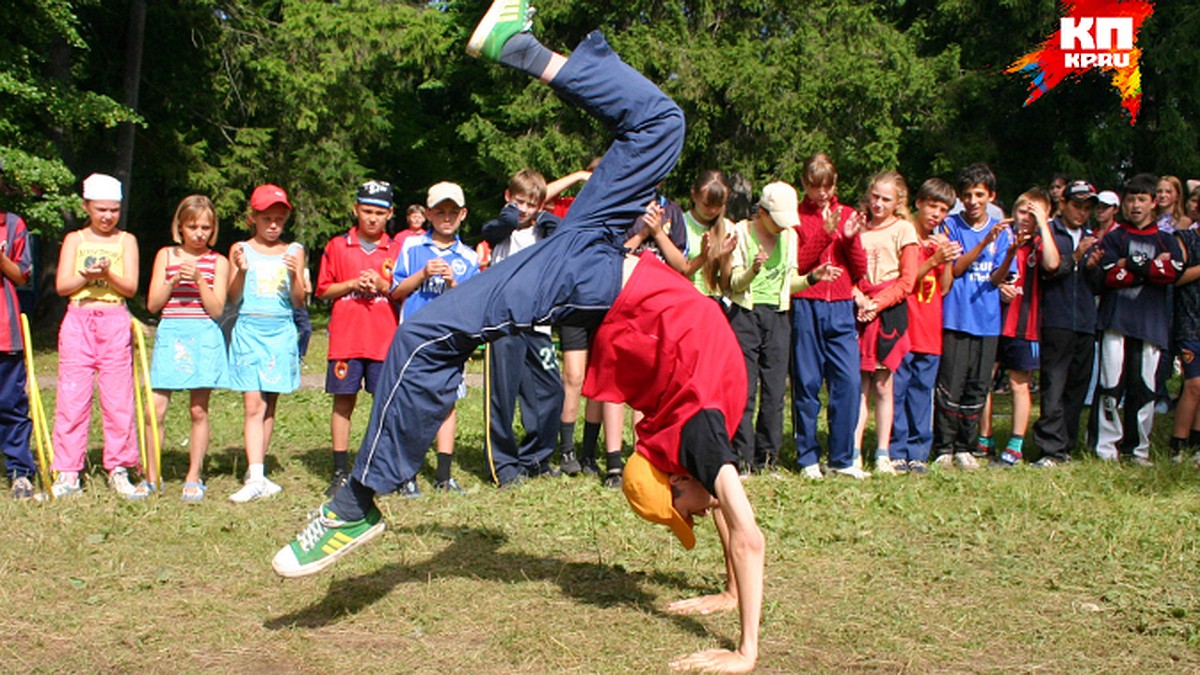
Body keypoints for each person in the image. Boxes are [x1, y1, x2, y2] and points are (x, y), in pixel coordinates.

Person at [274, 8, 766, 671]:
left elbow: (738, 523)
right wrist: (747, 651)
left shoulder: (697, 433)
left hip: (598, 247)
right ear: (675, 474)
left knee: (662, 124)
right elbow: (749, 532)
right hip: (588, 264)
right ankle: (356, 505)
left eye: (684, 514)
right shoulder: (701, 436)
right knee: (425, 331)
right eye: (685, 512)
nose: (696, 515)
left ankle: (521, 47)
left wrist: (730, 592)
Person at [729, 181, 839, 473]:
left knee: (775, 391)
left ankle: (767, 459)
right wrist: (753, 270)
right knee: (745, 389)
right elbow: (733, 283)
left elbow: (790, 283)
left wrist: (813, 277)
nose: (781, 227)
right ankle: (741, 458)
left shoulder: (789, 236)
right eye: (776, 220)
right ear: (761, 213)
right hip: (745, 315)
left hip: (778, 316)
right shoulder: (741, 232)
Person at [50, 173, 143, 499]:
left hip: (115, 319)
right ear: (87, 206)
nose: (107, 216)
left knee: (119, 399)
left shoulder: (126, 241)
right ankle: (68, 471)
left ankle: (119, 468)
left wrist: (107, 274)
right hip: (78, 319)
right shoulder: (75, 239)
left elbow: (130, 287)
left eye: (114, 210)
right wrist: (85, 275)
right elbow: (62, 285)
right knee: (72, 398)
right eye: (101, 209)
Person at [388, 181, 480, 496]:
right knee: (411, 404)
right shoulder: (412, 247)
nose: (446, 217)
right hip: (415, 340)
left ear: (463, 214)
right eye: (439, 211)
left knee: (447, 403)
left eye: (453, 212)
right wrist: (423, 274)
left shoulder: (468, 257)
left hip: (449, 342)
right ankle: (405, 473)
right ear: (427, 213)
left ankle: (443, 474)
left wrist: (454, 283)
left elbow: (473, 305)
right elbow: (396, 291)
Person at [315, 181, 401, 497]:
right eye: (366, 211)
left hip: (384, 340)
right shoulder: (338, 246)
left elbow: (403, 292)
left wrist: (381, 284)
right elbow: (323, 289)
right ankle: (340, 470)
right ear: (355, 210)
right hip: (347, 340)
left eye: (379, 213)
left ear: (390, 214)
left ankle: (383, 468)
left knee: (385, 405)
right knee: (343, 402)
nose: (372, 218)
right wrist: (352, 282)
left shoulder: (397, 249)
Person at [145, 195, 231, 502]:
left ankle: (194, 475)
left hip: (203, 335)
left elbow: (217, 309)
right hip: (172, 333)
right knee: (154, 409)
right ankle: (151, 476)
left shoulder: (218, 262)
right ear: (179, 227)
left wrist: (199, 280)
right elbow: (153, 304)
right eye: (193, 226)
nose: (199, 233)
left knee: (198, 409)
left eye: (206, 227)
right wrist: (171, 281)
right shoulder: (166, 256)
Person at [480, 169, 563, 486]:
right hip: (503, 323)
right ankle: (503, 464)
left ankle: (536, 457)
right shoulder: (502, 231)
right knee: (503, 394)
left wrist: (547, 220)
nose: (525, 209)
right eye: (519, 202)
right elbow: (493, 228)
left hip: (538, 324)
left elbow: (564, 235)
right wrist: (511, 216)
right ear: (507, 198)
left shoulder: (544, 230)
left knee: (550, 389)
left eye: (531, 204)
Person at [1093, 173, 1182, 463]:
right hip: (1115, 320)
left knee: (1145, 387)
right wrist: (1149, 267)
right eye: (1131, 199)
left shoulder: (1166, 239)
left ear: (1154, 202)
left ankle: (1138, 449)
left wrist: (1129, 265)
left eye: (1142, 199)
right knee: (1110, 384)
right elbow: (1108, 276)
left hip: (1150, 324)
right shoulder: (1114, 237)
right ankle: (1106, 447)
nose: (1136, 205)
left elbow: (1171, 274)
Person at [931, 163, 1015, 470]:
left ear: (991, 196)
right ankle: (944, 446)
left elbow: (996, 279)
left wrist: (1009, 253)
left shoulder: (1003, 231)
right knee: (950, 383)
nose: (973, 201)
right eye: (967, 195)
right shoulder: (951, 226)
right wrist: (983, 242)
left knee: (978, 385)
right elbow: (956, 268)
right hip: (956, 316)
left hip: (987, 319)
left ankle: (966, 446)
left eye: (979, 194)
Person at [227, 184, 306, 502]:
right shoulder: (241, 249)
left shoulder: (294, 251)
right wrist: (241, 272)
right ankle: (256, 476)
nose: (273, 225)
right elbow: (232, 298)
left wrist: (296, 276)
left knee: (269, 403)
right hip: (249, 329)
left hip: (280, 331)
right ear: (253, 219)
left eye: (279, 219)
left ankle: (256, 469)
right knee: (252, 404)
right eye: (267, 219)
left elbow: (299, 301)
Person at [791, 153, 868, 479]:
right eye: (813, 186)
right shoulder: (796, 218)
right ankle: (807, 457)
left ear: (835, 184)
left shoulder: (847, 214)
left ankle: (842, 458)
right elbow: (799, 262)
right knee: (807, 382)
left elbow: (860, 270)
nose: (820, 193)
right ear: (805, 185)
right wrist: (824, 232)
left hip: (840, 307)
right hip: (807, 303)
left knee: (848, 383)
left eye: (826, 186)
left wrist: (848, 238)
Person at [979, 188, 1060, 466]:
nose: (1026, 217)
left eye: (1033, 213)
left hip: (1025, 324)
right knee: (984, 379)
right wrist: (1000, 286)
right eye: (1023, 211)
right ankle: (984, 438)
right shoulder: (1001, 237)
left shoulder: (1040, 243)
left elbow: (1052, 263)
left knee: (1018, 382)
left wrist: (1044, 225)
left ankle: (1015, 445)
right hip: (993, 320)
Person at [851, 171, 919, 475]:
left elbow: (908, 280)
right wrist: (859, 299)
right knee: (858, 385)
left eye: (886, 199)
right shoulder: (857, 227)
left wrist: (877, 304)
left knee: (883, 384)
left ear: (898, 202)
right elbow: (847, 271)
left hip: (888, 311)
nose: (878, 203)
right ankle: (852, 452)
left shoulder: (904, 229)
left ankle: (882, 452)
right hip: (859, 308)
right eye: (875, 196)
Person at [891, 179, 960, 475]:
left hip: (931, 331)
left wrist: (947, 261)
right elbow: (904, 282)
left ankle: (918, 451)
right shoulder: (906, 238)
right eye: (932, 206)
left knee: (922, 392)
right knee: (898, 391)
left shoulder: (939, 242)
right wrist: (932, 260)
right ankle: (896, 450)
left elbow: (944, 288)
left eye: (943, 210)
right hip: (906, 327)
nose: (936, 214)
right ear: (918, 203)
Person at [1031, 181, 1101, 467]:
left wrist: (1094, 266)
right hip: (1056, 320)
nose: (1082, 213)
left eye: (1087, 209)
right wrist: (1076, 257)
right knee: (1054, 385)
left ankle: (1067, 445)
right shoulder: (1050, 232)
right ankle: (1050, 448)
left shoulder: (1092, 237)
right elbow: (1050, 271)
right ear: (1063, 204)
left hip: (1085, 322)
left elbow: (1097, 286)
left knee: (1077, 387)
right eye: (1077, 206)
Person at [0, 206, 38, 499]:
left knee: (11, 403)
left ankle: (20, 471)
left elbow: (22, 275)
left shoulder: (12, 224)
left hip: (5, 332)